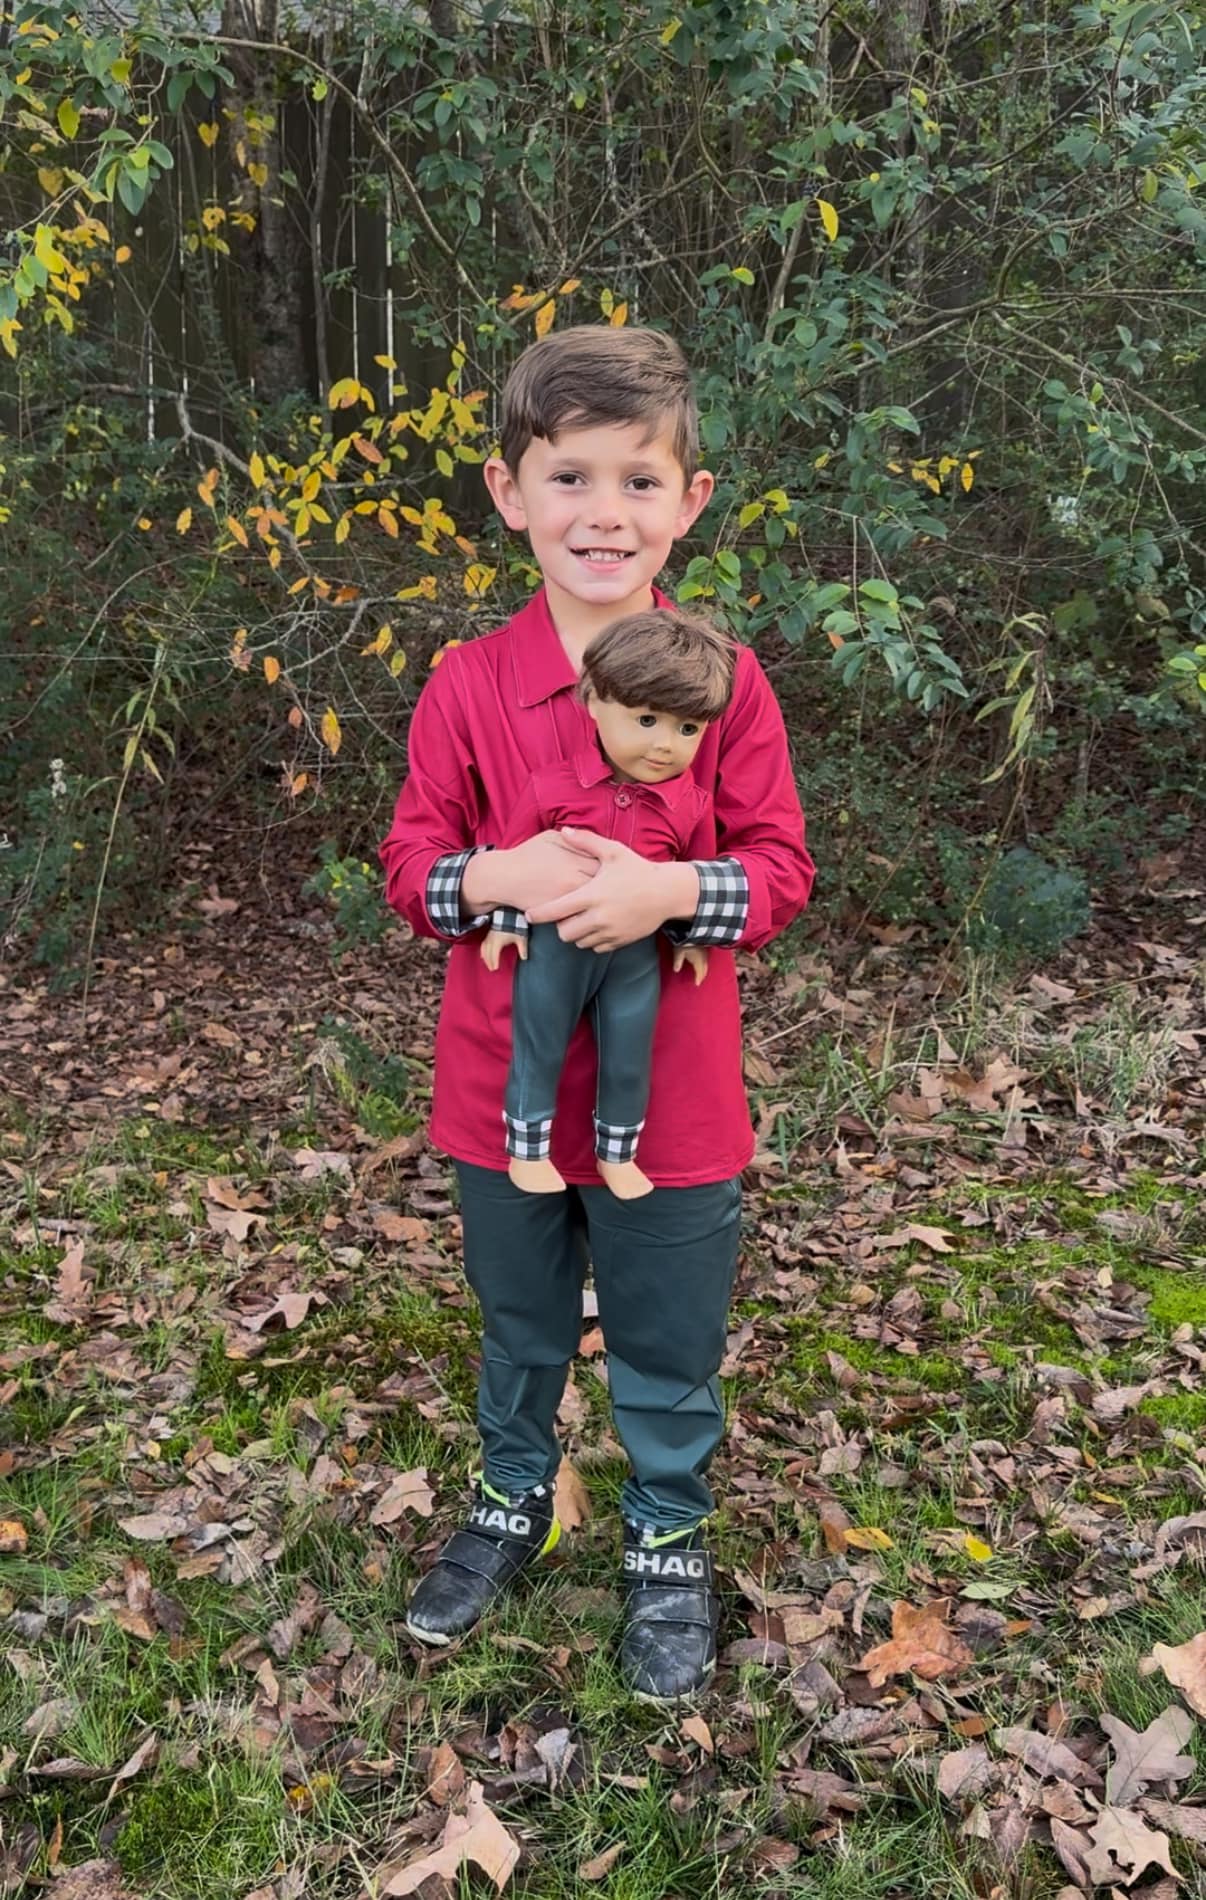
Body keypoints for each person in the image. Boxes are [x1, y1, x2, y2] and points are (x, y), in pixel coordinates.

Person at [380, 324, 815, 1703]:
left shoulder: (728, 687)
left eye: (637, 481)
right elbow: (409, 865)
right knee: (518, 1323)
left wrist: (671, 892)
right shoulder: (467, 686)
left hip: (671, 1101)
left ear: (688, 502)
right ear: (510, 493)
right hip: (494, 1092)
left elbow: (780, 868)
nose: (601, 513)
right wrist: (489, 876)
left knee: (665, 1332)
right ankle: (512, 1499)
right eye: (568, 478)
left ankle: (668, 1534)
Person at [481, 609, 735, 1201]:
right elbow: (515, 859)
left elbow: (695, 874)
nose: (664, 744)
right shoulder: (552, 786)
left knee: (628, 1053)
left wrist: (691, 936)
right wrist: (506, 921)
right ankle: (527, 1148)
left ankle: (618, 1152)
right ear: (593, 701)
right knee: (539, 1043)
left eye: (687, 730)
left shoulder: (690, 804)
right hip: (554, 948)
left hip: (634, 958)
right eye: (646, 720)